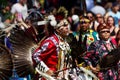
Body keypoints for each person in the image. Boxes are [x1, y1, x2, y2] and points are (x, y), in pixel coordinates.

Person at [32, 7, 71, 80]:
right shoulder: (51, 41)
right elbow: (35, 56)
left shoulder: (65, 43)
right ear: (57, 29)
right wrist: (47, 70)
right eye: (64, 25)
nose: (67, 27)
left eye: (67, 25)